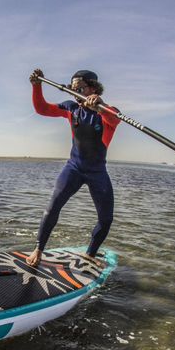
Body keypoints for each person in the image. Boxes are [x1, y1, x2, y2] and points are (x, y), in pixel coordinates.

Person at [26, 68, 121, 267]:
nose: (74, 92)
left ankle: (90, 255)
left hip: (97, 172)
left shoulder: (109, 112)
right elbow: (42, 109)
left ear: (93, 88)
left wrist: (100, 106)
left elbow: (114, 119)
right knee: (53, 206)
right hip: (74, 168)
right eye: (72, 88)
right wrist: (37, 86)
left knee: (106, 219)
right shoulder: (71, 108)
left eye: (79, 88)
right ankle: (38, 249)